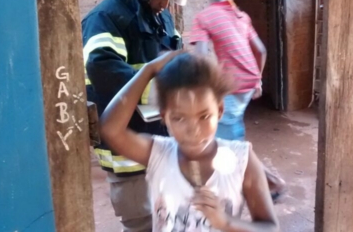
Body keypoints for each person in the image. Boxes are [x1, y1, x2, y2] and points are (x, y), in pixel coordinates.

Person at [100, 51, 280, 232]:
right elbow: (110, 130)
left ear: (219, 110)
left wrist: (225, 223)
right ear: (164, 117)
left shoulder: (243, 160)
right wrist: (148, 70)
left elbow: (270, 228)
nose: (193, 130)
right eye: (179, 118)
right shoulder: (158, 154)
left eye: (204, 116)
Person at [82, 0, 189, 231]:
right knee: (142, 225)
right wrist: (167, 88)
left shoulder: (162, 18)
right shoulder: (105, 18)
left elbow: (174, 61)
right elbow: (103, 70)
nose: (165, 4)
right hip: (128, 157)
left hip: (162, 149)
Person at [187, 0, 286, 200]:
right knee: (223, 139)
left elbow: (201, 58)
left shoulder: (204, 18)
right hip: (249, 82)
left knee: (229, 144)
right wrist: (258, 80)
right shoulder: (240, 15)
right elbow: (260, 50)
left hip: (232, 87)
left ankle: (272, 183)